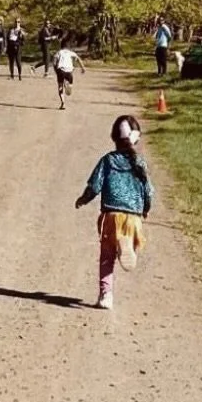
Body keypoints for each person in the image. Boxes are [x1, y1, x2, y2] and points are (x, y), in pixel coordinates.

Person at [75, 115, 154, 310]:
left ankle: (106, 295)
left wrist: (82, 200)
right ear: (136, 138)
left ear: (113, 137)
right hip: (133, 218)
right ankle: (127, 247)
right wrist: (145, 209)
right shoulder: (140, 164)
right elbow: (148, 192)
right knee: (131, 241)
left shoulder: (108, 160)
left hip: (111, 216)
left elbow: (94, 186)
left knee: (106, 258)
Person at [52, 37, 86, 109]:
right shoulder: (71, 53)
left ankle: (63, 103)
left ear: (61, 46)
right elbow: (78, 59)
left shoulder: (59, 52)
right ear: (68, 46)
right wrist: (82, 67)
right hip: (69, 71)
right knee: (69, 87)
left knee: (60, 86)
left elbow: (54, 62)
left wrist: (56, 70)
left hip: (61, 70)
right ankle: (69, 85)